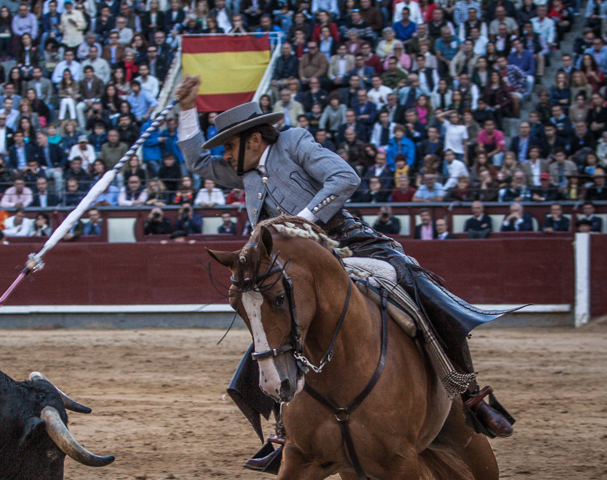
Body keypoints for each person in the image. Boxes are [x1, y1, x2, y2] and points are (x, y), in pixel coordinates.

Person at [174, 74, 514, 438]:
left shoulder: (293, 142)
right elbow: (197, 162)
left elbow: (343, 177)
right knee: (269, 314)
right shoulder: (243, 170)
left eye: (229, 146)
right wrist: (186, 109)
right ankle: (283, 423)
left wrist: (301, 221)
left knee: (416, 286)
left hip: (346, 241)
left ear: (254, 140)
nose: (224, 155)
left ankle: (470, 397)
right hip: (293, 261)